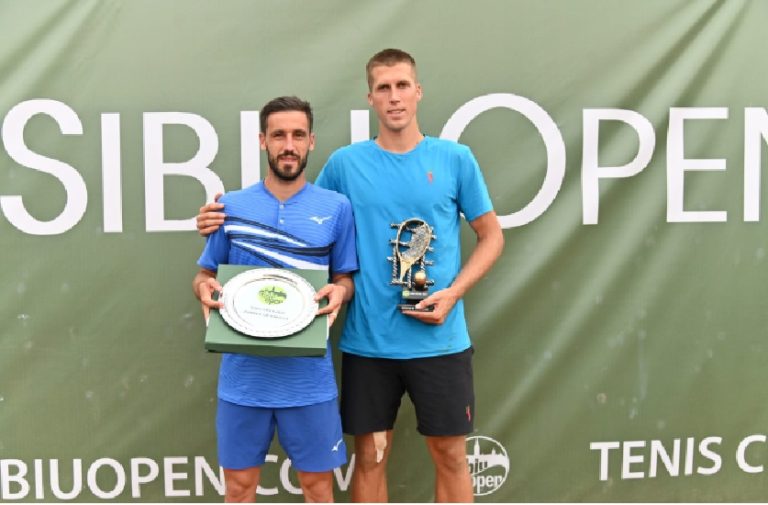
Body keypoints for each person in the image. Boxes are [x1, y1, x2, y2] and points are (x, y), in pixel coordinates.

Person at [196, 49, 504, 503]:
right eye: (384, 88)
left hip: (441, 342)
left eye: (402, 86)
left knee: (452, 456)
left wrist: (454, 293)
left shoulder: (456, 158)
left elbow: (492, 237)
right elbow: (298, 214)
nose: (394, 97)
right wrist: (215, 220)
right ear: (370, 98)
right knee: (372, 457)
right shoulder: (343, 165)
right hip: (367, 344)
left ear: (418, 91)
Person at [192, 96, 357, 503]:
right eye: (279, 135)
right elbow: (205, 274)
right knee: (239, 489)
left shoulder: (336, 208)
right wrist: (202, 289)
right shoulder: (229, 207)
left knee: (319, 490)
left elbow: (344, 279)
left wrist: (340, 290)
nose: (289, 144)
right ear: (263, 141)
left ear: (311, 142)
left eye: (298, 135)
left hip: (309, 383)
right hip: (243, 382)